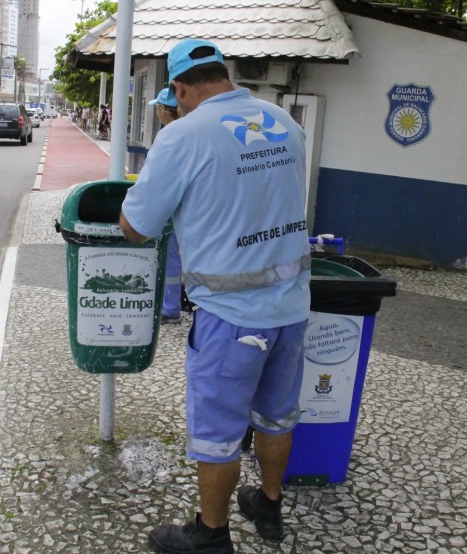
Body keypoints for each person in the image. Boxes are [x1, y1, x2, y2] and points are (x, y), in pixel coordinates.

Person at [120, 39, 311, 553]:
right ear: (223, 75)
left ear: (180, 88)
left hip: (231, 316)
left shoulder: (183, 135)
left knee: (218, 433)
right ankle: (268, 507)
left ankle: (210, 534)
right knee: (277, 414)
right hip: (292, 306)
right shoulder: (285, 123)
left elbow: (136, 226)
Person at [148, 88, 184, 323]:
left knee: (170, 259)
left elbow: (156, 179)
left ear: (162, 109)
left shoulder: (170, 136)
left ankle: (170, 308)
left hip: (172, 210)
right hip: (189, 210)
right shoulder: (192, 131)